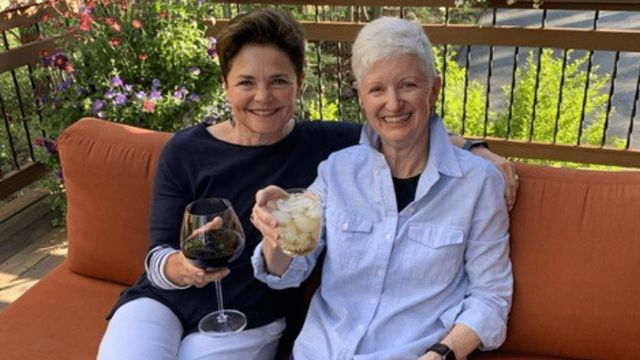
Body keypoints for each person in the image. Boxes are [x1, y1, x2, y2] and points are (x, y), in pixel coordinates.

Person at [97, 9, 516, 360]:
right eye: (246, 81)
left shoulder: (329, 146)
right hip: (171, 299)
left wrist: (479, 150)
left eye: (278, 80)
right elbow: (284, 265)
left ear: (298, 83)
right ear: (225, 84)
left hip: (255, 315)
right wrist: (202, 264)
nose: (263, 95)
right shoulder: (335, 166)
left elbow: (403, 126)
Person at [251, 16, 513, 360]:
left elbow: (490, 297)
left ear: (433, 89)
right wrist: (278, 235)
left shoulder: (478, 182)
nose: (392, 104)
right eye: (377, 89)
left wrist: (441, 354)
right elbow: (291, 271)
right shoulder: (337, 170)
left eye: (407, 85)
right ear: (361, 96)